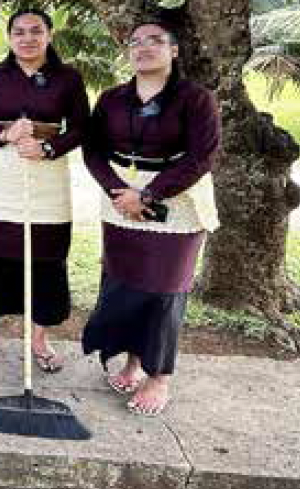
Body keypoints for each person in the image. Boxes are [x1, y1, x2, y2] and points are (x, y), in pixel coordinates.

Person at [82, 21, 220, 417]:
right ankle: (132, 362)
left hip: (176, 200)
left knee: (164, 290)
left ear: (174, 51)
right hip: (120, 197)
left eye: (156, 41)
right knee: (123, 284)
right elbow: (92, 150)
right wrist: (117, 191)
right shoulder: (111, 99)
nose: (144, 47)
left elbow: (202, 156)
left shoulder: (195, 99)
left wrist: (150, 194)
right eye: (136, 42)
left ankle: (159, 377)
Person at [0, 9, 89, 371]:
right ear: (9, 37)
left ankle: (39, 339)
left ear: (50, 35)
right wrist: (3, 134)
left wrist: (48, 148)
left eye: (36, 31)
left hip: (47, 177)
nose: (27, 38)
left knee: (45, 258)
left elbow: (81, 128)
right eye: (19, 32)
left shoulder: (67, 78)